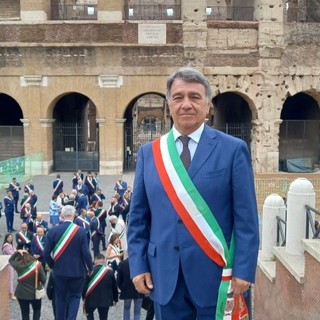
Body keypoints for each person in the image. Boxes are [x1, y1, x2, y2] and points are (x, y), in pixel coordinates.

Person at [127, 67, 259, 320]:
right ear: (168, 105)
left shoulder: (233, 150)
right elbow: (138, 219)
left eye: (195, 97)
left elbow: (246, 219)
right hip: (164, 275)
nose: (186, 104)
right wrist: (138, 265)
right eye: (178, 97)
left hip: (218, 275)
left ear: (208, 105)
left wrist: (244, 269)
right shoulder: (150, 153)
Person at [44, 205, 93, 320]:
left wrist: (53, 266)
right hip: (77, 272)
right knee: (75, 298)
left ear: (61, 215)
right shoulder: (80, 231)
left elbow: (46, 254)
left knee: (60, 298)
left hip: (60, 271)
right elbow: (86, 254)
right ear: (74, 215)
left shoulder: (52, 231)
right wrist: (90, 268)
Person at [9, 249, 46, 320]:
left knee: (25, 314)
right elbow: (44, 279)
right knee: (37, 310)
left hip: (21, 294)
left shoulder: (18, 266)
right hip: (35, 293)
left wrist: (17, 252)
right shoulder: (37, 265)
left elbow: (10, 260)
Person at [82, 254, 118, 320]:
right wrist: (115, 299)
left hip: (90, 300)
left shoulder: (89, 272)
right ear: (104, 261)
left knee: (89, 316)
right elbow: (114, 287)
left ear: (94, 261)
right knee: (103, 317)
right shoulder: (110, 272)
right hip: (105, 300)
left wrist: (84, 298)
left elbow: (84, 287)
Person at [2, 233, 17, 300]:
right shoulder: (6, 247)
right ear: (6, 238)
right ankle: (11, 293)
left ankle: (9, 292)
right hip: (8, 264)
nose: (10, 238)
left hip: (11, 263)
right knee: (10, 278)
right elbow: (13, 254)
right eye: (9, 237)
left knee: (10, 278)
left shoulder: (10, 245)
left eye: (11, 237)